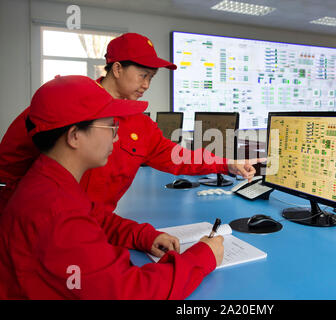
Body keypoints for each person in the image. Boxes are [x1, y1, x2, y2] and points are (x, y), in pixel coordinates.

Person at [0, 75, 224, 299]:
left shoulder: (50, 181)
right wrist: (203, 257)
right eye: (110, 126)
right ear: (75, 135)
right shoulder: (57, 212)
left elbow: (94, 216)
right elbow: (129, 293)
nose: (116, 138)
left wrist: (143, 236)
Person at [0, 32, 262, 212]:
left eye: (152, 78)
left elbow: (174, 156)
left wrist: (226, 163)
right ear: (116, 69)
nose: (146, 85)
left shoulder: (140, 124)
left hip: (95, 230)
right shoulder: (65, 100)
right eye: (142, 75)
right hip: (44, 230)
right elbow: (10, 162)